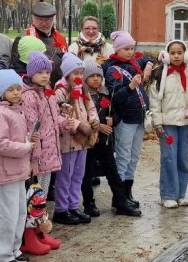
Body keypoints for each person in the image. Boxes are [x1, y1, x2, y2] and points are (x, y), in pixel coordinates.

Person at [0, 70, 37, 262]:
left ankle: (13, 250)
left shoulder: (16, 110)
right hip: (5, 171)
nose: (16, 93)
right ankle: (0, 256)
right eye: (11, 89)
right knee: (6, 215)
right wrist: (26, 147)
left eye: (18, 89)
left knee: (19, 213)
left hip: (17, 170)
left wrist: (28, 140)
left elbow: (16, 137)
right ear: (2, 91)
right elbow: (0, 144)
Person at [80, 60, 141, 217]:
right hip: (89, 141)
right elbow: (82, 117)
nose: (95, 79)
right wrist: (98, 126)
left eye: (98, 76)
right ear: (85, 78)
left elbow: (115, 111)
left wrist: (113, 120)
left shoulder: (106, 93)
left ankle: (121, 200)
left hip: (105, 140)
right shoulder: (82, 96)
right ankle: (89, 203)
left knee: (112, 171)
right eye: (91, 76)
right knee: (87, 173)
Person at [149, 40, 188, 208]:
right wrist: (157, 123)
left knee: (182, 158)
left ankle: (180, 194)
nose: (176, 56)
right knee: (169, 158)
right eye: (172, 53)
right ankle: (167, 195)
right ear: (166, 55)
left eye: (179, 53)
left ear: (185, 54)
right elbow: (155, 102)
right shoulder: (160, 75)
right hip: (167, 124)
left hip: (185, 123)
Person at [102, 31, 151, 208]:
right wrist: (131, 86)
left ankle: (128, 192)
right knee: (123, 156)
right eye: (126, 49)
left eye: (132, 48)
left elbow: (147, 59)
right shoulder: (112, 69)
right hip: (125, 119)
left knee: (134, 156)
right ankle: (119, 196)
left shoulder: (133, 64)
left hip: (138, 117)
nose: (130, 52)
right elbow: (114, 98)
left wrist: (149, 63)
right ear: (117, 49)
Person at [52, 53, 99, 224]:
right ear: (67, 74)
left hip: (82, 141)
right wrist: (78, 124)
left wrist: (94, 120)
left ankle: (73, 206)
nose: (79, 76)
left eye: (81, 73)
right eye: (75, 73)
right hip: (68, 141)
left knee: (78, 175)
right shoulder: (61, 91)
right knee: (66, 176)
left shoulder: (82, 89)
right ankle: (61, 209)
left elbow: (91, 107)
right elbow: (58, 114)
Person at [22, 52, 74, 205]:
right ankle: (32, 219)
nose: (44, 76)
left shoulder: (48, 92)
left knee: (42, 193)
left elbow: (53, 117)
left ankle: (39, 216)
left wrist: (63, 123)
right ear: (31, 73)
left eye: (47, 72)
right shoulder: (29, 96)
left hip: (49, 152)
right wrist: (34, 159)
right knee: (33, 194)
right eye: (40, 72)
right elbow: (33, 130)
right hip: (38, 155)